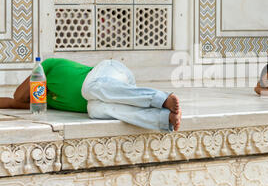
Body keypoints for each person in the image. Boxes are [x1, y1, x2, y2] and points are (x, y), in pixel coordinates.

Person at [0, 58, 182, 131]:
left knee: (89, 89)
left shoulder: (49, 65)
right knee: (94, 109)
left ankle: (161, 98)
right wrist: (36, 96)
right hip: (109, 93)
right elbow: (15, 100)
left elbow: (20, 93)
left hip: (109, 72)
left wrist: (37, 75)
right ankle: (164, 118)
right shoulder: (46, 100)